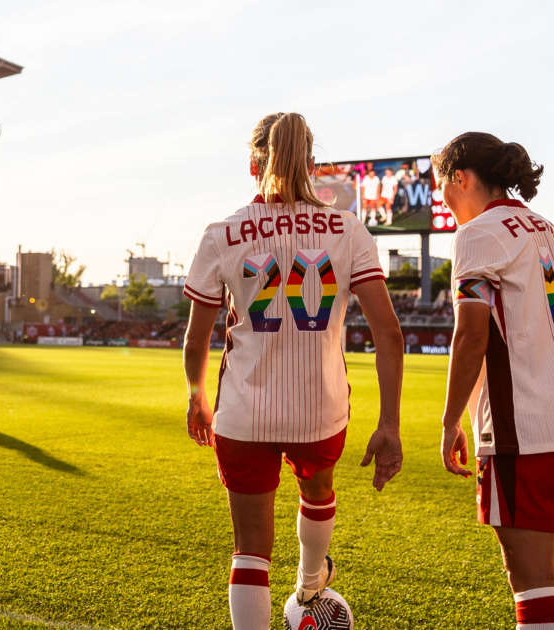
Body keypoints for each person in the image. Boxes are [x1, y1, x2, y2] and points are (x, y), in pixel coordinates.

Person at [181, 112, 405, 630]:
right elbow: (388, 333)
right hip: (320, 407)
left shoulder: (222, 232)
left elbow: (197, 337)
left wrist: (197, 396)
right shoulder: (348, 229)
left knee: (250, 552)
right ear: (310, 164)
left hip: (242, 411)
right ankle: (308, 585)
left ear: (253, 164)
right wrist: (389, 424)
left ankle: (301, 588)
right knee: (318, 492)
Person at [434, 132, 554, 630]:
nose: (442, 195)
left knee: (528, 576)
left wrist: (449, 422)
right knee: (541, 561)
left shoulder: (477, 233)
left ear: (460, 178)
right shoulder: (553, 232)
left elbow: (470, 335)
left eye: (442, 183)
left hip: (521, 428)